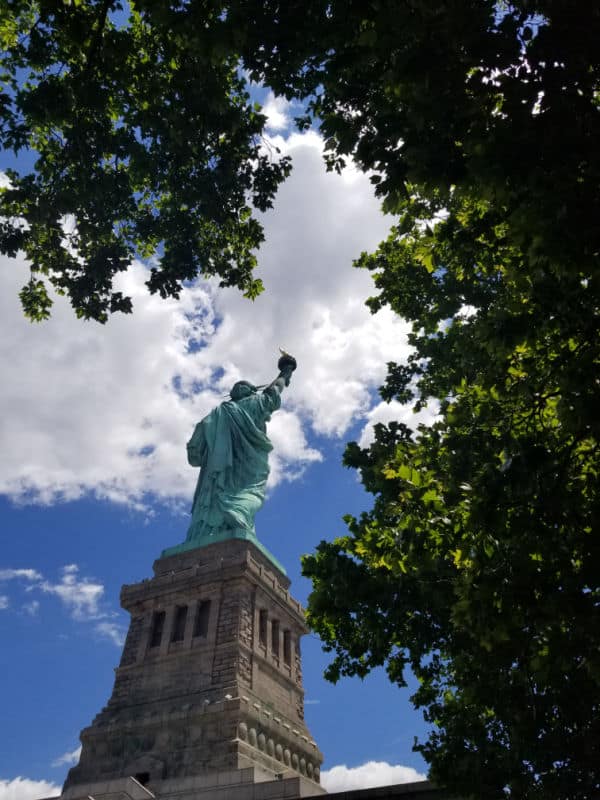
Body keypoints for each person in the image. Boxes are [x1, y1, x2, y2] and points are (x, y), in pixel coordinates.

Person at [183, 354, 296, 546]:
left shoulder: (216, 415)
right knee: (249, 494)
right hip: (248, 466)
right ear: (250, 392)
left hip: (216, 472)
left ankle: (212, 529)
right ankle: (235, 514)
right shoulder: (255, 403)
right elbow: (275, 389)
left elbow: (194, 454)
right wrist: (286, 371)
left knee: (217, 494)